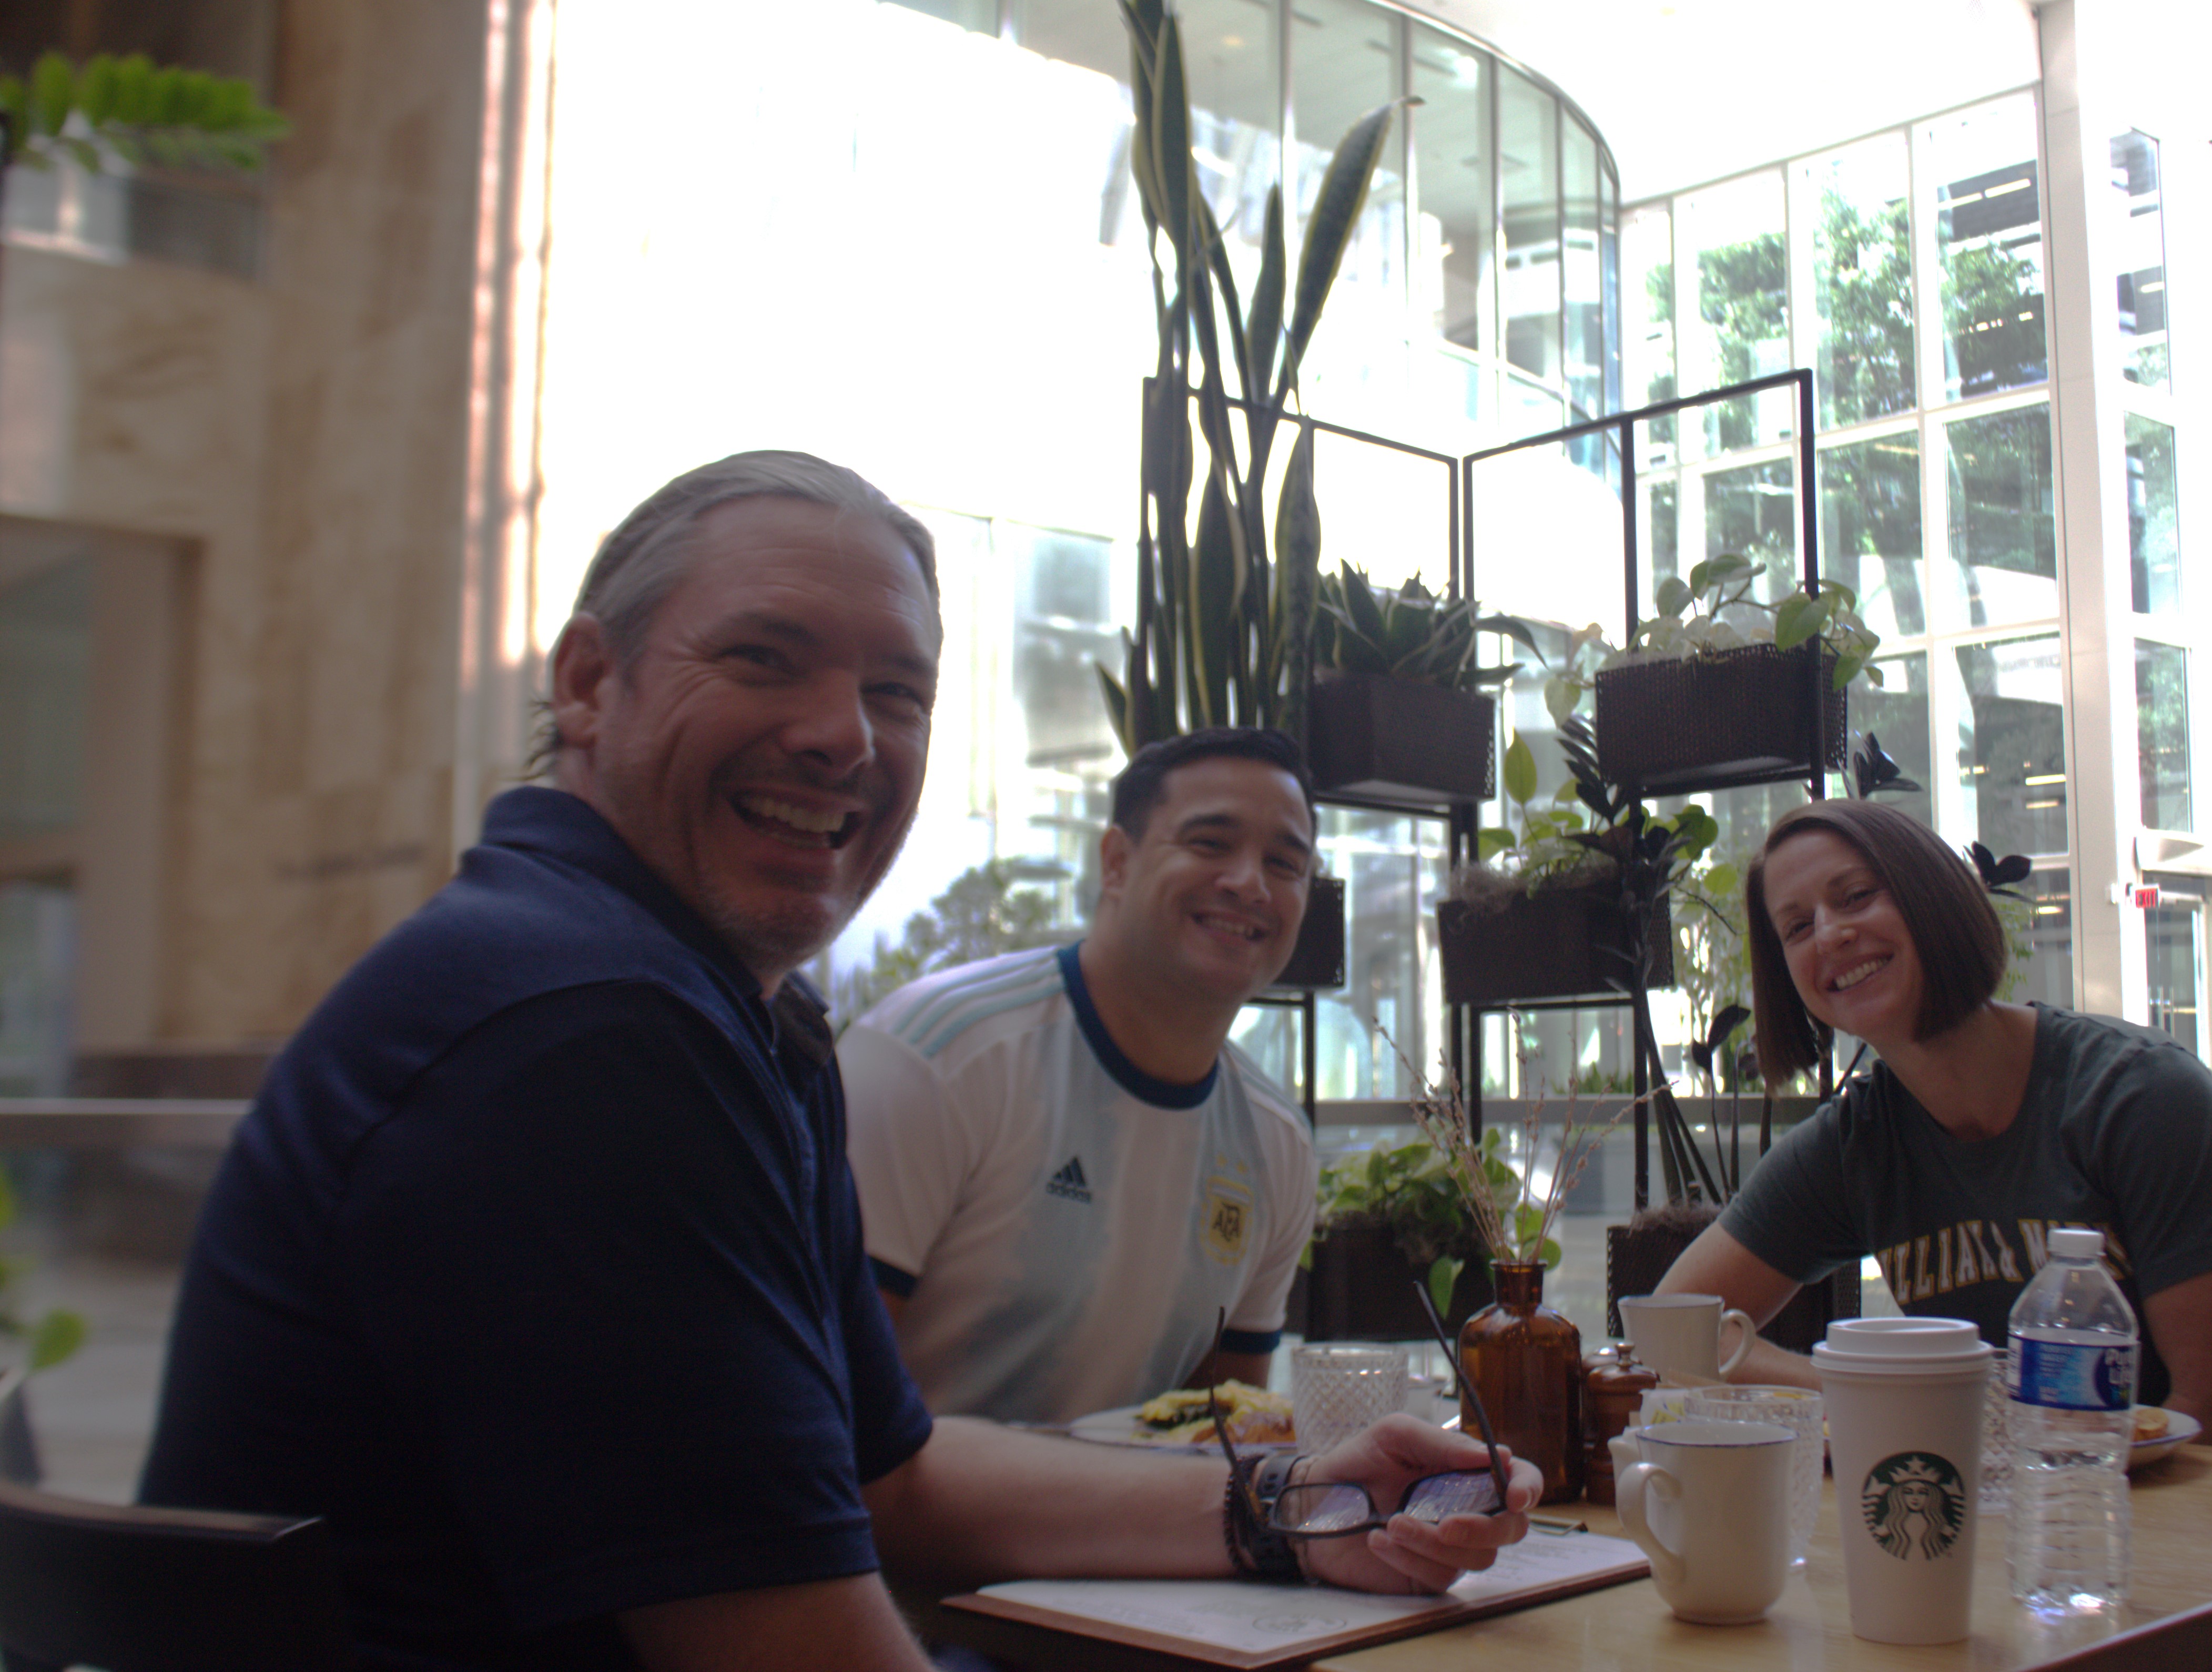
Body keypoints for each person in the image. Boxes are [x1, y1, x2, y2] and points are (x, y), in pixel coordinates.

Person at [139, 452, 1535, 1672]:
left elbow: (891, 1472)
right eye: (764, 656)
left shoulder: (707, 1009)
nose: (842, 734)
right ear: (588, 683)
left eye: (894, 691)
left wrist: (1293, 1504)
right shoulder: (585, 1034)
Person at [1660, 799, 2212, 1672]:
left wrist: (2006, 1466)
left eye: (1855, 896)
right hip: (2031, 1554)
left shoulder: (2138, 1100)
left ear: (1932, 899)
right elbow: (1680, 1326)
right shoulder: (1858, 1143)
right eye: (1795, 927)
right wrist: (1867, 1395)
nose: (1830, 934)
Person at [839, 729, 1317, 1424]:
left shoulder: (1277, 1144)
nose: (1249, 883)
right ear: (1116, 863)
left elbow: (1218, 1438)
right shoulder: (937, 1058)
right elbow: (827, 1426)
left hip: (1124, 1528)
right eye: (1211, 843)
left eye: (1284, 863)